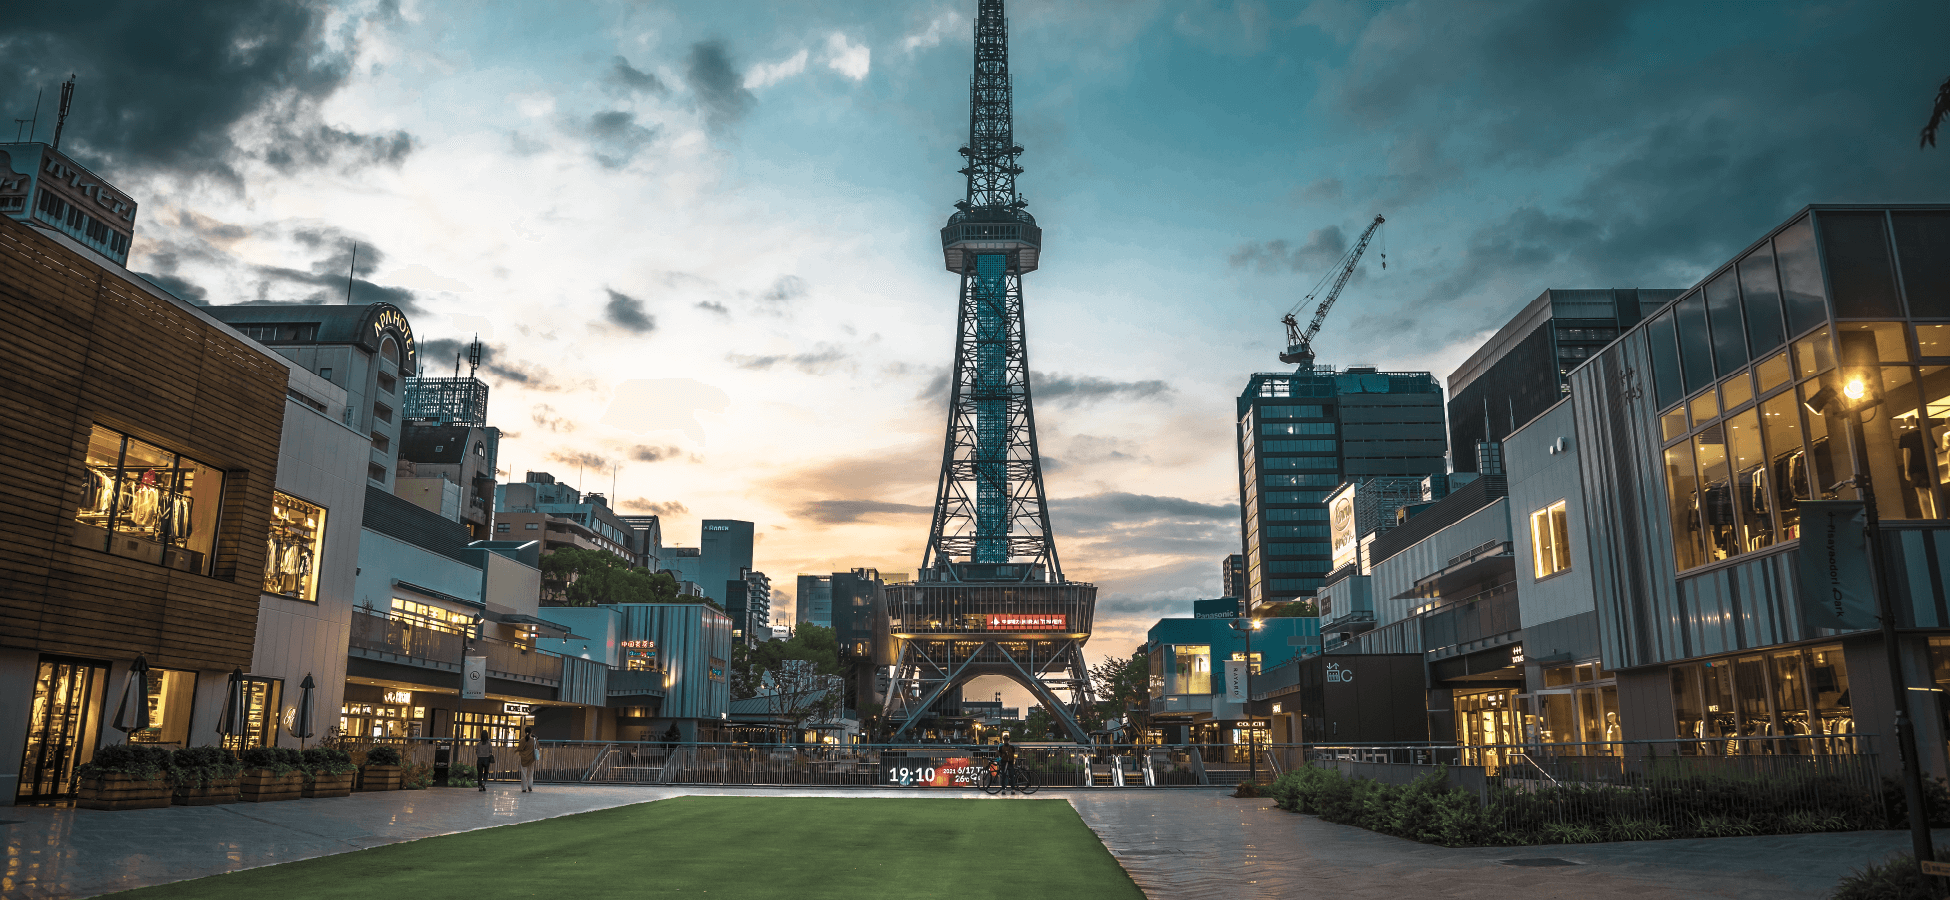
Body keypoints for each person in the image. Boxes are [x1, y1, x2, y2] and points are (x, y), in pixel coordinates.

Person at [517, 726, 539, 793]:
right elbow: (537, 747)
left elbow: (519, 749)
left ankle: (524, 788)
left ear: (524, 732)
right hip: (531, 759)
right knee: (530, 772)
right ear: (531, 732)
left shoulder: (522, 740)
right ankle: (529, 785)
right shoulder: (534, 740)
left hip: (523, 759)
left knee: (523, 773)